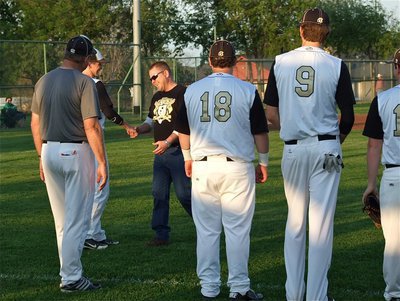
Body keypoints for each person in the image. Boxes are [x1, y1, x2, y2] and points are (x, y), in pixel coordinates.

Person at [264, 8, 355, 301]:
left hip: (292, 148)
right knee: (321, 226)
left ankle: (293, 294)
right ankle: (317, 296)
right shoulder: (336, 64)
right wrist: (335, 140)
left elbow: (271, 114)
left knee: (295, 223)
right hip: (326, 146)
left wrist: (291, 125)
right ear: (326, 31)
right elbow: (349, 116)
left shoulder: (280, 62)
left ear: (301, 30)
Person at [175, 40, 269, 301]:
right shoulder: (247, 89)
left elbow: (183, 130)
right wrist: (264, 162)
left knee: (206, 231)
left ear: (209, 61)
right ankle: (238, 288)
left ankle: (209, 288)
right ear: (236, 61)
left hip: (204, 164)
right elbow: (259, 131)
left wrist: (186, 157)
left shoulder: (192, 90)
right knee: (237, 230)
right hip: (237, 167)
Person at [31, 35, 107, 292]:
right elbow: (91, 126)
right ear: (86, 59)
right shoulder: (85, 82)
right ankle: (72, 278)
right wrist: (101, 162)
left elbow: (34, 122)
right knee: (77, 220)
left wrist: (40, 156)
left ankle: (69, 273)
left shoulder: (44, 80)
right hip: (77, 152)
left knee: (62, 221)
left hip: (48, 150)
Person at [129, 61, 192, 246]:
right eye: (150, 79)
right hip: (161, 154)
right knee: (158, 193)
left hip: (179, 152)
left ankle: (207, 225)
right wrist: (139, 129)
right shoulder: (156, 97)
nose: (152, 81)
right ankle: (161, 234)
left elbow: (184, 125)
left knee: (184, 194)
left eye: (154, 77)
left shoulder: (183, 93)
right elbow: (151, 121)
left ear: (166, 73)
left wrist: (168, 141)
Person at [82, 48, 135, 250]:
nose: (100, 67)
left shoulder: (73, 82)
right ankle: (89, 235)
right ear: (89, 62)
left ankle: (96, 233)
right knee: (100, 189)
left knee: (88, 190)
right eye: (99, 64)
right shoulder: (94, 84)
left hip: (76, 141)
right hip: (93, 140)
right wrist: (127, 126)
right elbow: (108, 111)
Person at [362, 48, 400, 301]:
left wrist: (370, 185)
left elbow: (374, 145)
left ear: (397, 68)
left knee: (395, 241)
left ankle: (394, 293)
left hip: (393, 177)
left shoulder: (383, 98)